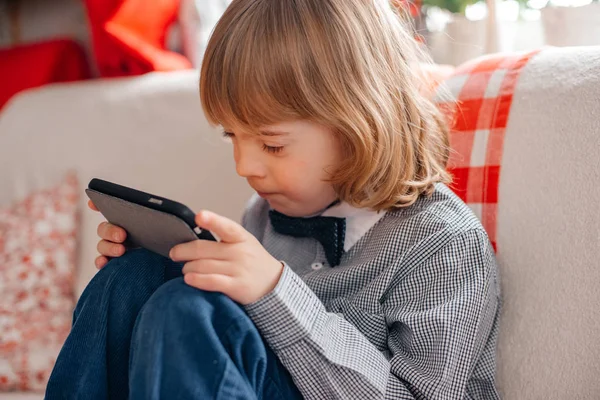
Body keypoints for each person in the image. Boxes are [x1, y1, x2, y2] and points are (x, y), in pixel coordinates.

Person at [46, 0, 501, 398]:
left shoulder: (442, 244)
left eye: (272, 145)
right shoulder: (264, 212)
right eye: (232, 137)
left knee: (186, 312)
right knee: (131, 277)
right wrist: (164, 263)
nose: (245, 166)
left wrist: (276, 293)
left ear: (359, 121)